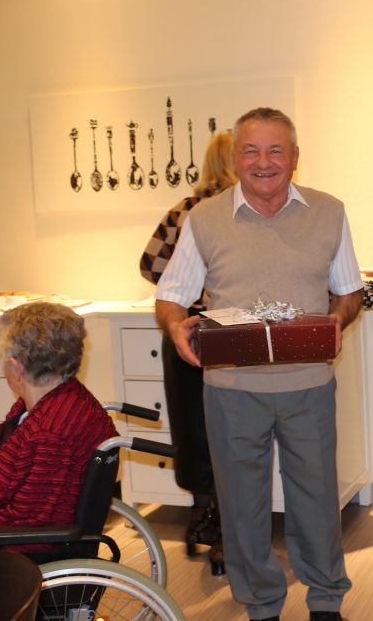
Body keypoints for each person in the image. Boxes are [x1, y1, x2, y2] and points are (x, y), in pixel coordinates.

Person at [155, 107, 363, 621]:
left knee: (316, 500)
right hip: (231, 388)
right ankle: (261, 604)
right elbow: (171, 295)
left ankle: (325, 601)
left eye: (275, 150)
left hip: (309, 384)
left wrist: (337, 319)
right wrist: (176, 326)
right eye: (250, 150)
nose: (263, 162)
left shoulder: (329, 211)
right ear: (235, 158)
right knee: (241, 506)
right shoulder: (203, 218)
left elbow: (349, 291)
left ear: (295, 157)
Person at [0, 302, 118, 590]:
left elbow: (23, 530)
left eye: (0, 357)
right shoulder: (46, 404)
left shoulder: (50, 435)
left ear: (16, 367)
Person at [140, 130, 237, 576]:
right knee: (232, 430)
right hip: (230, 330)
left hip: (185, 329)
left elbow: (149, 265)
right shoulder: (237, 209)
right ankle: (227, 535)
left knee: (192, 427)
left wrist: (183, 289)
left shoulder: (184, 208)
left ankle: (201, 516)